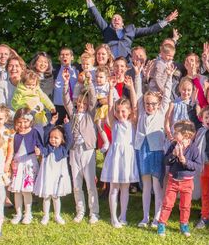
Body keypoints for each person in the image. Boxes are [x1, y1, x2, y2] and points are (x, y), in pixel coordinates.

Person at [81, 0, 179, 62]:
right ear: (111, 23)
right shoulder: (106, 29)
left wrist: (166, 21)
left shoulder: (131, 30)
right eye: (114, 19)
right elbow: (96, 15)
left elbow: (150, 30)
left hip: (126, 63)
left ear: (123, 23)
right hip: (110, 63)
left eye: (118, 18)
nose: (116, 20)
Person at [134, 61, 174, 228]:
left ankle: (157, 216)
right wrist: (138, 76)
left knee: (157, 186)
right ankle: (145, 217)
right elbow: (137, 96)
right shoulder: (142, 111)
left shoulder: (162, 111)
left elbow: (166, 95)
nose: (150, 106)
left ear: (158, 105)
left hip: (156, 151)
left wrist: (170, 77)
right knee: (146, 185)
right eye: (147, 103)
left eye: (153, 104)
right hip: (142, 150)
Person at [62, 68, 100, 224]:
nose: (81, 105)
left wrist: (90, 82)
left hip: (87, 150)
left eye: (84, 102)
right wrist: (66, 84)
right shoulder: (73, 114)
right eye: (79, 102)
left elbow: (93, 99)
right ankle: (80, 210)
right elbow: (66, 100)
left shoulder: (90, 113)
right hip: (74, 150)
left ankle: (94, 212)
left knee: (90, 183)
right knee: (76, 184)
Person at [99, 80, 139, 228]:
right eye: (118, 111)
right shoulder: (114, 123)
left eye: (124, 111)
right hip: (115, 157)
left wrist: (132, 88)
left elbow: (135, 106)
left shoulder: (132, 122)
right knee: (114, 188)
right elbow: (110, 107)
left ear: (129, 112)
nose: (120, 114)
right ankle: (113, 217)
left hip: (127, 157)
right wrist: (110, 89)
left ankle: (123, 215)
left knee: (125, 188)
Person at [157, 120, 203, 237]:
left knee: (185, 206)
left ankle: (184, 225)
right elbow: (166, 161)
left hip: (187, 182)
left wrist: (185, 161)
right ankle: (162, 224)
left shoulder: (193, 149)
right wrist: (173, 154)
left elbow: (198, 166)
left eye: (176, 132)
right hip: (173, 181)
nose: (174, 134)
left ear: (186, 135)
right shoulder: (173, 145)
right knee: (167, 203)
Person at [33, 119, 74, 225]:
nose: (53, 140)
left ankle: (57, 215)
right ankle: (46, 215)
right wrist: (51, 123)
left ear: (62, 139)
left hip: (58, 177)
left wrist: (66, 125)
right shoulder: (47, 148)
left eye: (56, 138)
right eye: (51, 137)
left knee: (56, 197)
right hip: (47, 176)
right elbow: (45, 133)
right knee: (46, 197)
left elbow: (70, 138)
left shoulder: (64, 149)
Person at [8, 107, 42, 225]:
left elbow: (40, 146)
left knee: (26, 190)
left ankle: (28, 213)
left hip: (29, 162)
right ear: (16, 122)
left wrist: (39, 151)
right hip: (17, 163)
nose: (22, 125)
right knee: (17, 190)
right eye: (20, 122)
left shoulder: (34, 132)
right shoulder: (14, 134)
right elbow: (10, 149)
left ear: (30, 121)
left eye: (25, 121)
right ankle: (18, 214)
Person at [52, 47, 80, 125]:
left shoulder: (78, 68)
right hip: (58, 106)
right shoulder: (54, 70)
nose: (64, 56)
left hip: (74, 105)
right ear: (59, 57)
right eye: (62, 55)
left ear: (72, 57)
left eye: (67, 54)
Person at [0, 54, 25, 122]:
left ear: (22, 69)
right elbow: (1, 108)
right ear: (7, 68)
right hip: (9, 123)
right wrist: (19, 117)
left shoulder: (28, 84)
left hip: (28, 121)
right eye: (11, 66)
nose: (14, 68)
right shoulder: (1, 84)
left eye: (17, 66)